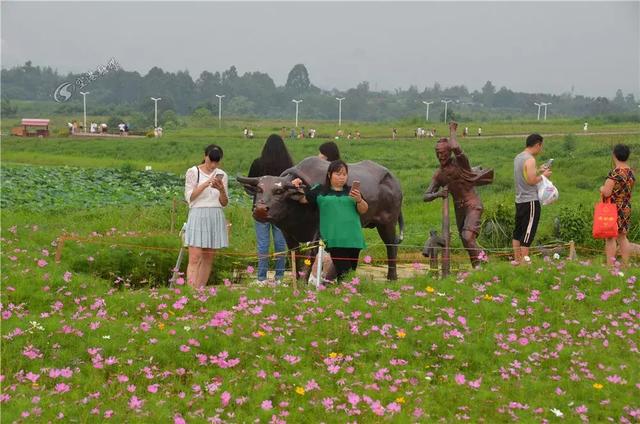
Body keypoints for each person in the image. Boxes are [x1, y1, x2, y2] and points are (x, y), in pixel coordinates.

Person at [423, 122, 494, 267]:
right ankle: (483, 264)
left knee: (467, 237)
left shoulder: (461, 164)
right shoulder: (439, 174)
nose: (441, 157)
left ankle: (480, 268)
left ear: (449, 152)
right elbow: (425, 196)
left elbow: (455, 147)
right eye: (438, 154)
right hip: (459, 209)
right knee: (466, 241)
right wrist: (438, 194)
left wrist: (453, 131)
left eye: (443, 153)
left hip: (472, 204)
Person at [292, 160, 368, 281]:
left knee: (349, 272)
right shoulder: (320, 190)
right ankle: (348, 292)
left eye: (344, 174)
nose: (341, 177)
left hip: (354, 238)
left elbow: (363, 210)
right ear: (329, 175)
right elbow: (303, 199)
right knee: (345, 272)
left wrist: (359, 200)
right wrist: (294, 185)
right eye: (338, 174)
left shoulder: (352, 191)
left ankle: (343, 293)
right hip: (334, 238)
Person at [247, 134, 294, 285]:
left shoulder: (258, 163)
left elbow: (249, 187)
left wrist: (258, 195)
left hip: (260, 210)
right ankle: (279, 278)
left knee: (263, 244)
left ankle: (261, 278)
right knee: (281, 244)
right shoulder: (289, 165)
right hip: (280, 212)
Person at [184, 144, 229, 288]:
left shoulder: (222, 175)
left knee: (208, 257)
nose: (213, 165)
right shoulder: (193, 172)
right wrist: (205, 184)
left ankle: (200, 289)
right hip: (198, 214)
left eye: (216, 162)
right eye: (211, 161)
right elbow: (190, 197)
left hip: (215, 214)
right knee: (195, 256)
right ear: (205, 157)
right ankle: (191, 291)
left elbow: (224, 202)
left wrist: (221, 189)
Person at [512, 133, 552, 264]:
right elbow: (531, 180)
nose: (541, 149)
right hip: (530, 201)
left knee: (518, 232)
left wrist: (538, 170)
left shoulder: (518, 157)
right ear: (537, 145)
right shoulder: (530, 159)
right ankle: (524, 263)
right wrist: (544, 176)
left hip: (519, 200)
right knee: (527, 233)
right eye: (541, 146)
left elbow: (524, 174)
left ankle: (517, 260)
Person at [599, 144, 635, 267]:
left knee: (610, 237)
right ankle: (625, 265)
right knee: (623, 237)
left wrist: (602, 188)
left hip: (613, 209)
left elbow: (607, 192)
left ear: (614, 155)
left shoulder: (615, 173)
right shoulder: (630, 172)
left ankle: (610, 265)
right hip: (626, 207)